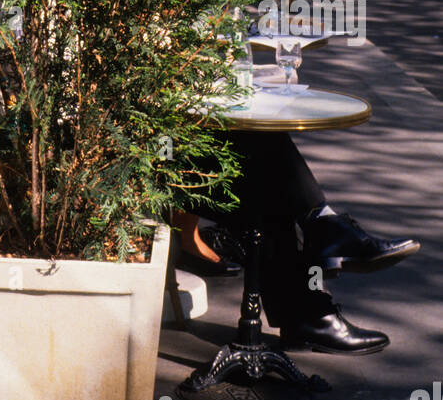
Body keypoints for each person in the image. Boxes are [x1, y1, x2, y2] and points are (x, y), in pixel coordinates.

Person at [178, 132, 420, 352]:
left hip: (189, 153)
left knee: (267, 164)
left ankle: (309, 312)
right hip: (167, 160)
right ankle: (311, 308)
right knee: (266, 157)